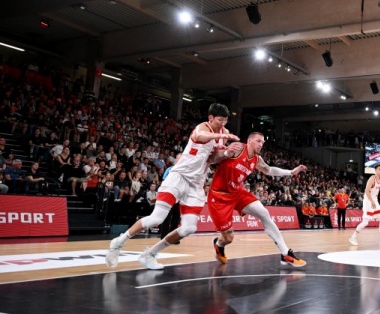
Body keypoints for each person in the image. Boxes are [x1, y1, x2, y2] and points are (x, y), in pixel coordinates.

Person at [105, 103, 239, 270]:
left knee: (189, 228)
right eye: (220, 120)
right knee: (157, 218)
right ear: (210, 118)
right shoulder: (203, 128)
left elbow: (212, 159)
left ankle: (150, 254)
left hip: (196, 184)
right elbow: (200, 136)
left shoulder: (223, 133)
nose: (223, 124)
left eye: (225, 120)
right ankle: (118, 242)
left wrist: (226, 153)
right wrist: (220, 138)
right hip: (178, 177)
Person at [209, 131, 307, 268]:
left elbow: (269, 170)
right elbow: (212, 159)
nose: (261, 144)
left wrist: (291, 172)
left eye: (262, 142)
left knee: (264, 213)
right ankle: (219, 244)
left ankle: (285, 253)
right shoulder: (237, 149)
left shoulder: (256, 159)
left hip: (237, 192)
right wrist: (225, 153)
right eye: (258, 141)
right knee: (228, 238)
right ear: (249, 141)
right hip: (219, 195)